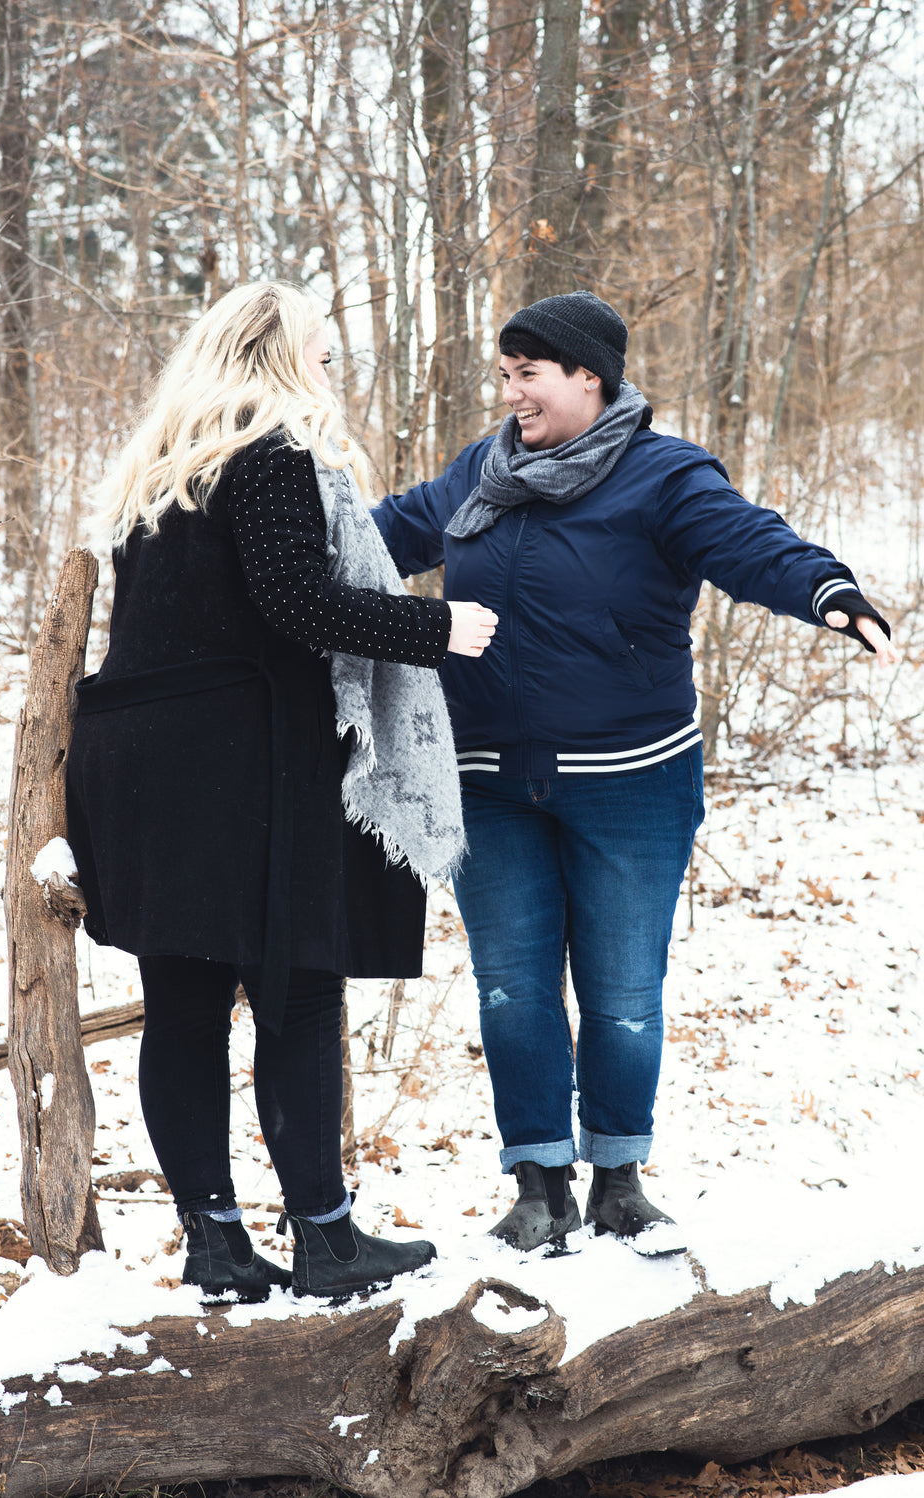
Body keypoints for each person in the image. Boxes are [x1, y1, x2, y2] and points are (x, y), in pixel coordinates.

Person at [372, 290, 897, 1254]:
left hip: (631, 781)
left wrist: (823, 588)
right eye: (505, 373)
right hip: (488, 775)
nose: (511, 392)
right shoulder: (479, 474)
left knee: (620, 992)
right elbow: (381, 538)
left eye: (529, 373)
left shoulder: (663, 476)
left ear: (589, 378)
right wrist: (256, 543)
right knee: (512, 988)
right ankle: (538, 1183)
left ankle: (617, 1175)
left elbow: (747, 544)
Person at [65, 281, 497, 1300]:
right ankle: (327, 1240)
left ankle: (215, 1243)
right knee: (299, 992)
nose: (332, 366)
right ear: (273, 354)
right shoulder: (268, 451)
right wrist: (437, 629)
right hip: (235, 769)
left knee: (183, 1004)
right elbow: (296, 599)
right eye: (321, 348)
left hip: (143, 765)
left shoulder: (162, 473)